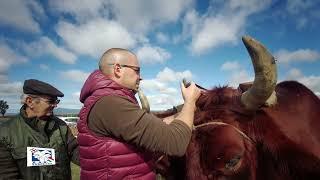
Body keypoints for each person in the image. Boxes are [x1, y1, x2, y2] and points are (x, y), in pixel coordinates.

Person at [77, 48, 201, 179]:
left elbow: (154, 126)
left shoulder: (108, 101)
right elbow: (176, 143)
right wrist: (190, 101)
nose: (140, 77)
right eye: (137, 70)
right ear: (118, 69)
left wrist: (186, 109)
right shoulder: (111, 103)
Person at [0, 79, 79, 180]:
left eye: (56, 101)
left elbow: (75, 151)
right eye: (51, 101)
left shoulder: (60, 125)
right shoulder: (6, 133)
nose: (55, 105)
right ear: (30, 102)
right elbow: (7, 175)